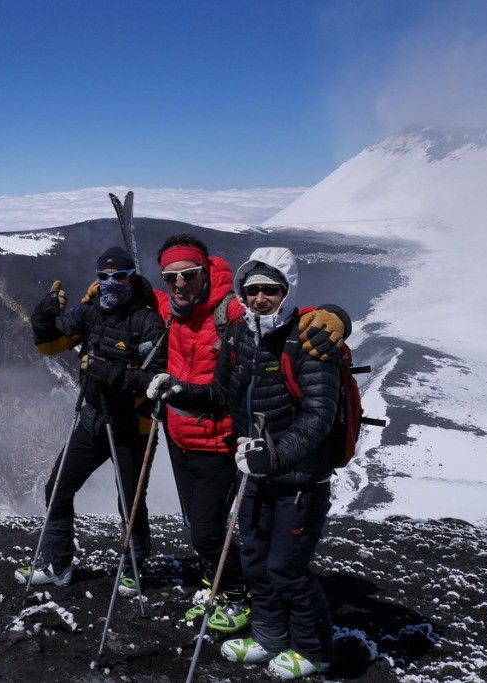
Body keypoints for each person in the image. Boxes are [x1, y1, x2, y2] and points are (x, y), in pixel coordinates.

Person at [149, 246, 340, 680]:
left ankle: (315, 650)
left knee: (286, 568)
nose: (260, 299)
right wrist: (178, 390)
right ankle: (270, 638)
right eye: (251, 290)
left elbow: (319, 417)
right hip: (254, 468)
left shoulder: (307, 341)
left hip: (298, 477)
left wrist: (272, 455)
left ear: (287, 290)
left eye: (271, 289)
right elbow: (220, 395)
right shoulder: (240, 338)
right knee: (255, 560)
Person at [15, 246, 166, 594]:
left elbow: (157, 382)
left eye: (119, 277)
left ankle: (134, 567)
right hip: (94, 417)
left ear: (131, 278)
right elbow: (50, 345)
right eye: (104, 277)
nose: (111, 283)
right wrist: (43, 317)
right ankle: (57, 564)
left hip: (134, 426)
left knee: (129, 500)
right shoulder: (91, 312)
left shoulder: (147, 321)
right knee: (58, 488)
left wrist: (106, 372)